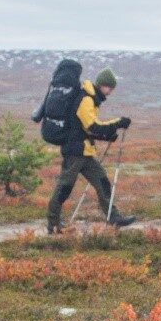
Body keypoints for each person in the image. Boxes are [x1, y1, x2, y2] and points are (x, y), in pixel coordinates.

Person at [45, 68, 136, 234]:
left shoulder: (92, 99)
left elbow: (85, 129)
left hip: (84, 152)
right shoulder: (86, 99)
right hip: (75, 152)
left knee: (102, 182)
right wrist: (118, 122)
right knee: (64, 188)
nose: (110, 92)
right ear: (102, 85)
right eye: (109, 88)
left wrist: (106, 137)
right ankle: (53, 224)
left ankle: (114, 217)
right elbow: (92, 126)